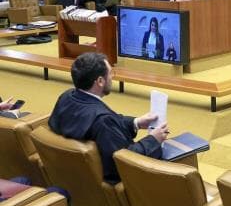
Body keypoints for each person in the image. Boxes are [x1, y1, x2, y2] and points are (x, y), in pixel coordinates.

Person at [48, 52, 167, 184]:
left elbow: (105, 125)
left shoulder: (66, 97)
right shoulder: (103, 120)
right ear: (100, 81)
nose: (112, 77)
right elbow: (124, 161)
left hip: (74, 176)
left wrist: (136, 123)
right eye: (110, 73)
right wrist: (153, 140)